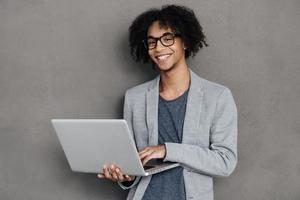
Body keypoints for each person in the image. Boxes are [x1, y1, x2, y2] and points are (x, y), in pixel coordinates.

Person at [97, 4, 238, 200]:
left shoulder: (218, 97)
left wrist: (167, 150)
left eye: (167, 38)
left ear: (185, 42)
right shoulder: (134, 98)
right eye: (152, 42)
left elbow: (225, 162)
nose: (159, 48)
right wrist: (126, 176)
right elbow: (137, 163)